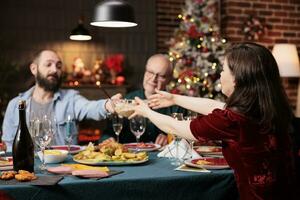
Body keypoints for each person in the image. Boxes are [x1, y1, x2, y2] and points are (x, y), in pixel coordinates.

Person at [130, 43, 296, 200]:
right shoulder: (265, 108)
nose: (220, 75)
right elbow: (216, 107)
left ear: (237, 79)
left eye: (223, 70)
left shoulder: (233, 120)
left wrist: (146, 112)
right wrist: (174, 98)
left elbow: (176, 127)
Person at [2, 50, 121, 152]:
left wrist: (107, 105)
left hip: (65, 168)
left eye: (58, 66)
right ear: (34, 68)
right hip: (27, 168)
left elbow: (90, 107)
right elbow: (9, 146)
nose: (54, 70)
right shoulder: (15, 105)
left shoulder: (71, 99)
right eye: (48, 64)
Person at [104, 54, 186, 146]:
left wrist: (170, 138)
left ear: (169, 79)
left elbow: (187, 137)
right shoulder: (126, 101)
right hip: (132, 157)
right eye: (150, 72)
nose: (153, 79)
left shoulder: (177, 106)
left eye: (161, 76)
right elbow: (108, 133)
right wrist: (108, 140)